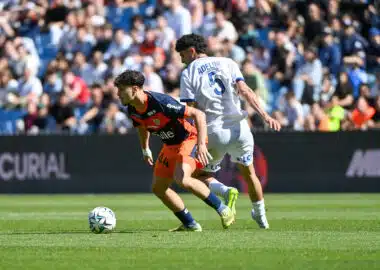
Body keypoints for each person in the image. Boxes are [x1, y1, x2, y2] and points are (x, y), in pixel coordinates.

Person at [175, 34, 281, 229]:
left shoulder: (188, 72)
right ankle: (261, 217)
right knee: (251, 175)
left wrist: (190, 136)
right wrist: (266, 116)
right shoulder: (228, 62)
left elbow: (189, 109)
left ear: (191, 51)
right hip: (240, 129)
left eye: (182, 55)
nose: (182, 60)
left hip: (214, 130)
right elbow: (246, 91)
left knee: (197, 177)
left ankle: (225, 192)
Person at [114, 70, 234, 232]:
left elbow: (198, 114)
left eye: (121, 89)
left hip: (189, 139)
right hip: (170, 145)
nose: (118, 94)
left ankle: (223, 209)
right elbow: (141, 127)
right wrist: (145, 149)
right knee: (158, 188)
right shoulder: (132, 108)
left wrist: (201, 144)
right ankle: (190, 224)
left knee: (182, 178)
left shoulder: (160, 102)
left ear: (135, 89)